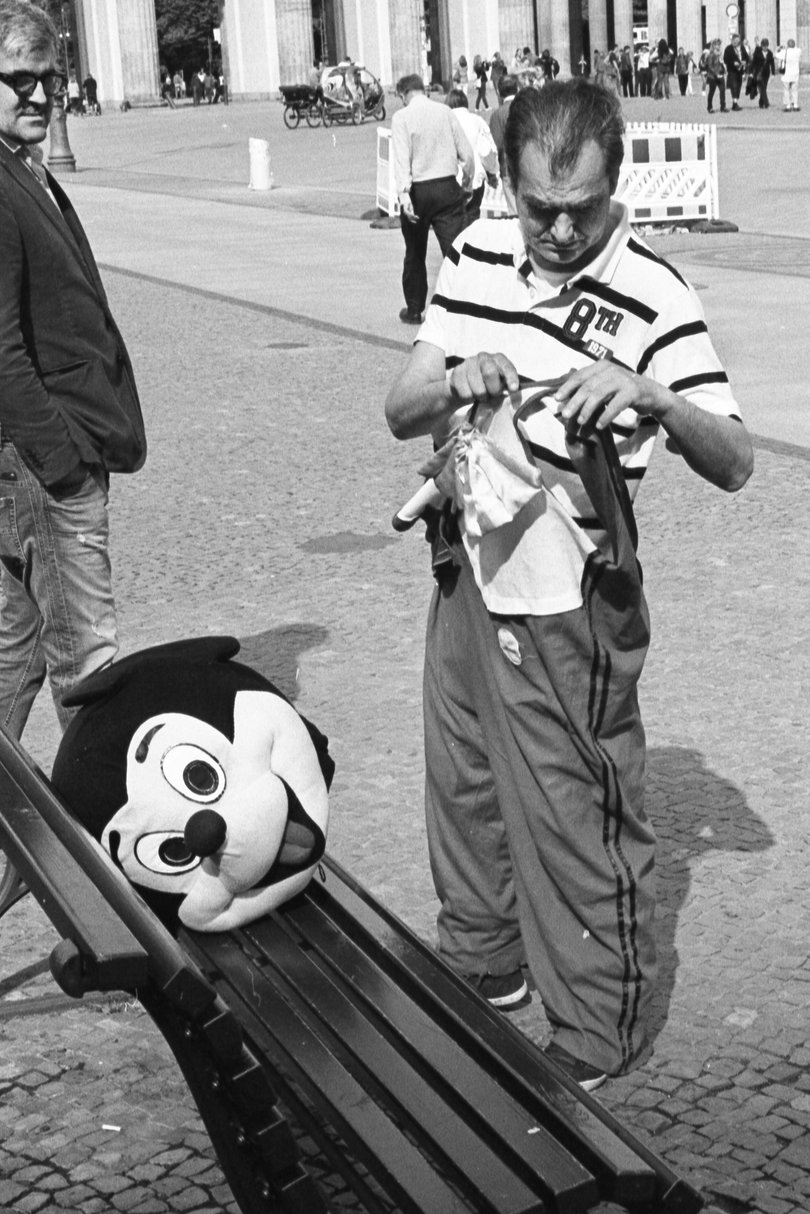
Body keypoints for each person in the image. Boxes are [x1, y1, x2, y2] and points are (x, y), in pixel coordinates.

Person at [385, 78, 752, 1091]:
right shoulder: (479, 252)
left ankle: (597, 1027)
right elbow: (399, 404)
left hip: (571, 594)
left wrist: (653, 397)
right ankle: (485, 970)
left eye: (579, 209)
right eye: (538, 204)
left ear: (615, 184)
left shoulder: (656, 293)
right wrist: (451, 380)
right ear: (506, 178)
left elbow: (735, 459)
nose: (554, 229)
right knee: (464, 789)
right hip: (467, 559)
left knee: (573, 811)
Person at [0, 0, 147, 741]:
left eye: (48, 82)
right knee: (90, 670)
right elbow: (2, 352)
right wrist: (63, 464)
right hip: (46, 465)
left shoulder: (21, 168)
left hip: (37, 460)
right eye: (19, 80)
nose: (38, 96)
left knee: (14, 659)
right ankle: (99, 846)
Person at [391, 74, 473, 326]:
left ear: (404, 94)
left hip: (418, 190)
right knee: (455, 249)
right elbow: (467, 154)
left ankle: (415, 309)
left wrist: (405, 197)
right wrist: (466, 185)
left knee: (415, 252)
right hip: (447, 186)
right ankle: (465, 304)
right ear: (423, 90)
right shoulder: (445, 111)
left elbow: (402, 160)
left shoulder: (401, 117)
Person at [445, 89, 498, 226]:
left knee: (454, 223)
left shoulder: (445, 122)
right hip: (475, 179)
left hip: (451, 180)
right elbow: (486, 151)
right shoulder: (477, 121)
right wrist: (491, 173)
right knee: (472, 218)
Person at [723, 33, 748, 110]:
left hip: (740, 71)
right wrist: (733, 63)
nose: (736, 42)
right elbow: (725, 59)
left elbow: (747, 57)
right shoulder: (728, 49)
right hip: (732, 71)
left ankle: (735, 102)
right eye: (735, 41)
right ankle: (735, 103)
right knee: (734, 86)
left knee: (738, 87)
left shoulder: (742, 48)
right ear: (732, 40)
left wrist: (745, 61)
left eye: (737, 41)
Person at [750, 38, 775, 108]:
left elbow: (772, 63)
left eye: (766, 45)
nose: (765, 47)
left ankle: (761, 102)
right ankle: (766, 103)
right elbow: (753, 62)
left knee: (764, 88)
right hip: (758, 72)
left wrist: (773, 74)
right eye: (763, 45)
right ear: (761, 45)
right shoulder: (757, 52)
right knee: (762, 87)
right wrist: (751, 72)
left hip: (766, 73)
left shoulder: (770, 53)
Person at [705, 38, 727, 112]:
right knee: (712, 91)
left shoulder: (720, 54)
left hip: (720, 75)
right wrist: (716, 73)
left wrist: (724, 70)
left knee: (722, 91)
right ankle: (709, 107)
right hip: (713, 76)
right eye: (717, 44)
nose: (718, 46)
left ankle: (723, 107)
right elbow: (710, 66)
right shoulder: (711, 55)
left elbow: (722, 64)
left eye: (719, 44)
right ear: (713, 46)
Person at [781, 38, 801, 110]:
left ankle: (788, 105)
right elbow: (797, 48)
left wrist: (781, 48)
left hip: (786, 74)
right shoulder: (798, 51)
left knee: (786, 89)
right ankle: (795, 104)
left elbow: (776, 55)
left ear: (788, 45)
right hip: (795, 73)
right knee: (794, 89)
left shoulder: (784, 52)